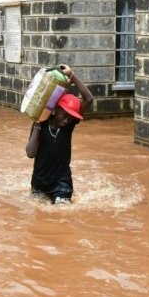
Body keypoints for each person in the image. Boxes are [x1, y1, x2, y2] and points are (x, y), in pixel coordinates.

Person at [25, 64, 94, 204]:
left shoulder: (68, 126)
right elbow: (30, 153)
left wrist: (72, 76)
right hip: (39, 182)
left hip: (61, 182)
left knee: (62, 212)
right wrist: (37, 125)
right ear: (55, 110)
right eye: (66, 115)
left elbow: (89, 99)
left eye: (71, 117)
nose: (68, 119)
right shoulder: (40, 123)